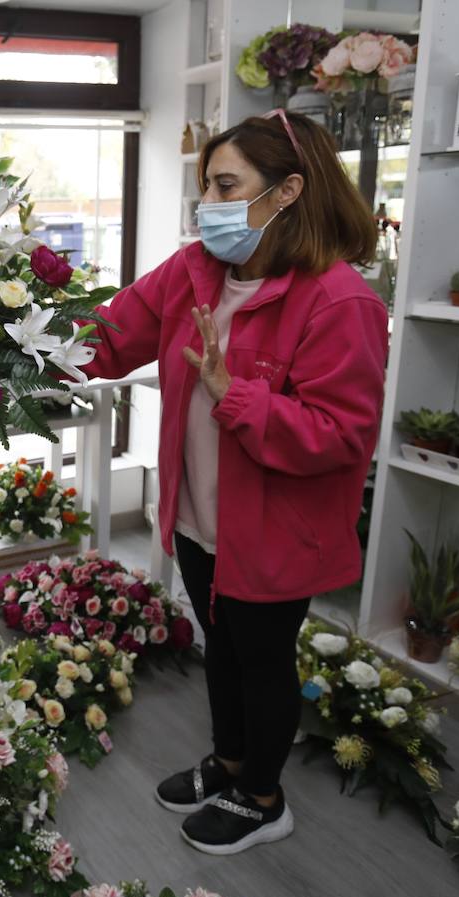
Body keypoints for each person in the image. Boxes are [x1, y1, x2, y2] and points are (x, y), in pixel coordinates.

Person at [78, 110, 387, 855]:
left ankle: (262, 798)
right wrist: (16, 347)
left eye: (225, 185)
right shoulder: (195, 272)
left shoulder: (340, 302)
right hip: (199, 515)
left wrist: (232, 391)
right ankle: (230, 760)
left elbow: (343, 436)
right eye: (206, 186)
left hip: (277, 530)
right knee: (221, 646)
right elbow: (113, 335)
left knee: (261, 660)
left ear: (287, 192)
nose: (208, 204)